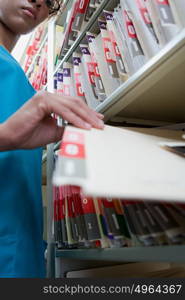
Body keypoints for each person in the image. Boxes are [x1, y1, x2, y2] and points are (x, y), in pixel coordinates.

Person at [0, 0, 104, 278]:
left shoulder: (17, 76)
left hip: (21, 255)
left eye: (50, 2)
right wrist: (6, 136)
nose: (39, 2)